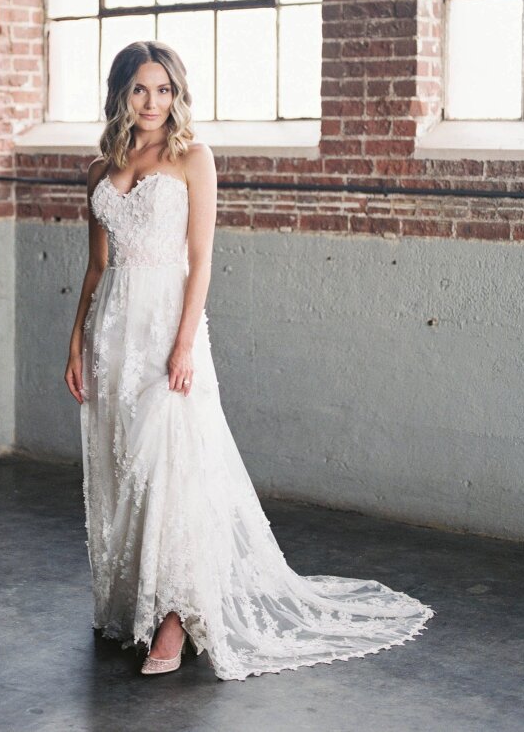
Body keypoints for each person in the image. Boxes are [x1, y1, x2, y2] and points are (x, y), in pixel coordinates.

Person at [64, 40, 435, 680]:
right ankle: (139, 601)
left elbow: (202, 259)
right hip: (114, 334)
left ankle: (175, 621)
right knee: (125, 469)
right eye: (139, 90)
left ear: (177, 95)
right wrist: (75, 341)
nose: (153, 102)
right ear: (121, 94)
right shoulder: (100, 170)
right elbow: (97, 267)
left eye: (164, 89)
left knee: (172, 469)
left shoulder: (193, 159)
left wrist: (184, 344)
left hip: (168, 330)